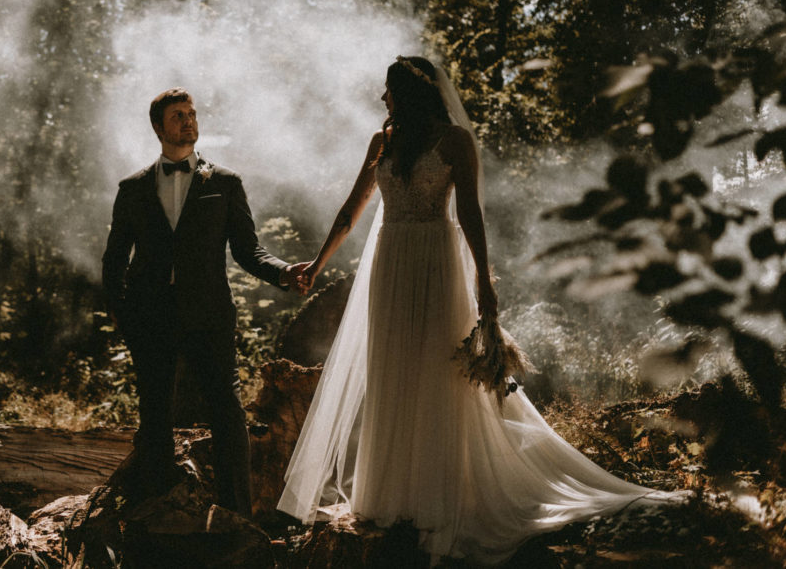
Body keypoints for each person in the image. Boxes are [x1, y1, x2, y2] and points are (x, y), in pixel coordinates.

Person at [278, 57, 678, 564]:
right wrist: (317, 262)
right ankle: (392, 494)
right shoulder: (383, 142)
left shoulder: (454, 142)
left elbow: (469, 211)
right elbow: (351, 209)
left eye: (389, 91)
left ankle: (440, 495)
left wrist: (483, 281)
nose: (383, 100)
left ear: (410, 94)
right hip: (390, 266)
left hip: (436, 264)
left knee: (439, 373)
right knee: (393, 370)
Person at [102, 87, 303, 517]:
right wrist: (121, 313)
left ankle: (237, 514)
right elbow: (114, 258)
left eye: (192, 113)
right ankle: (152, 512)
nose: (189, 121)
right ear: (159, 127)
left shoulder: (226, 184)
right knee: (155, 414)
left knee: (227, 412)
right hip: (150, 317)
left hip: (208, 315)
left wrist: (284, 273)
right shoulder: (132, 188)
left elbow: (249, 252)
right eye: (179, 115)